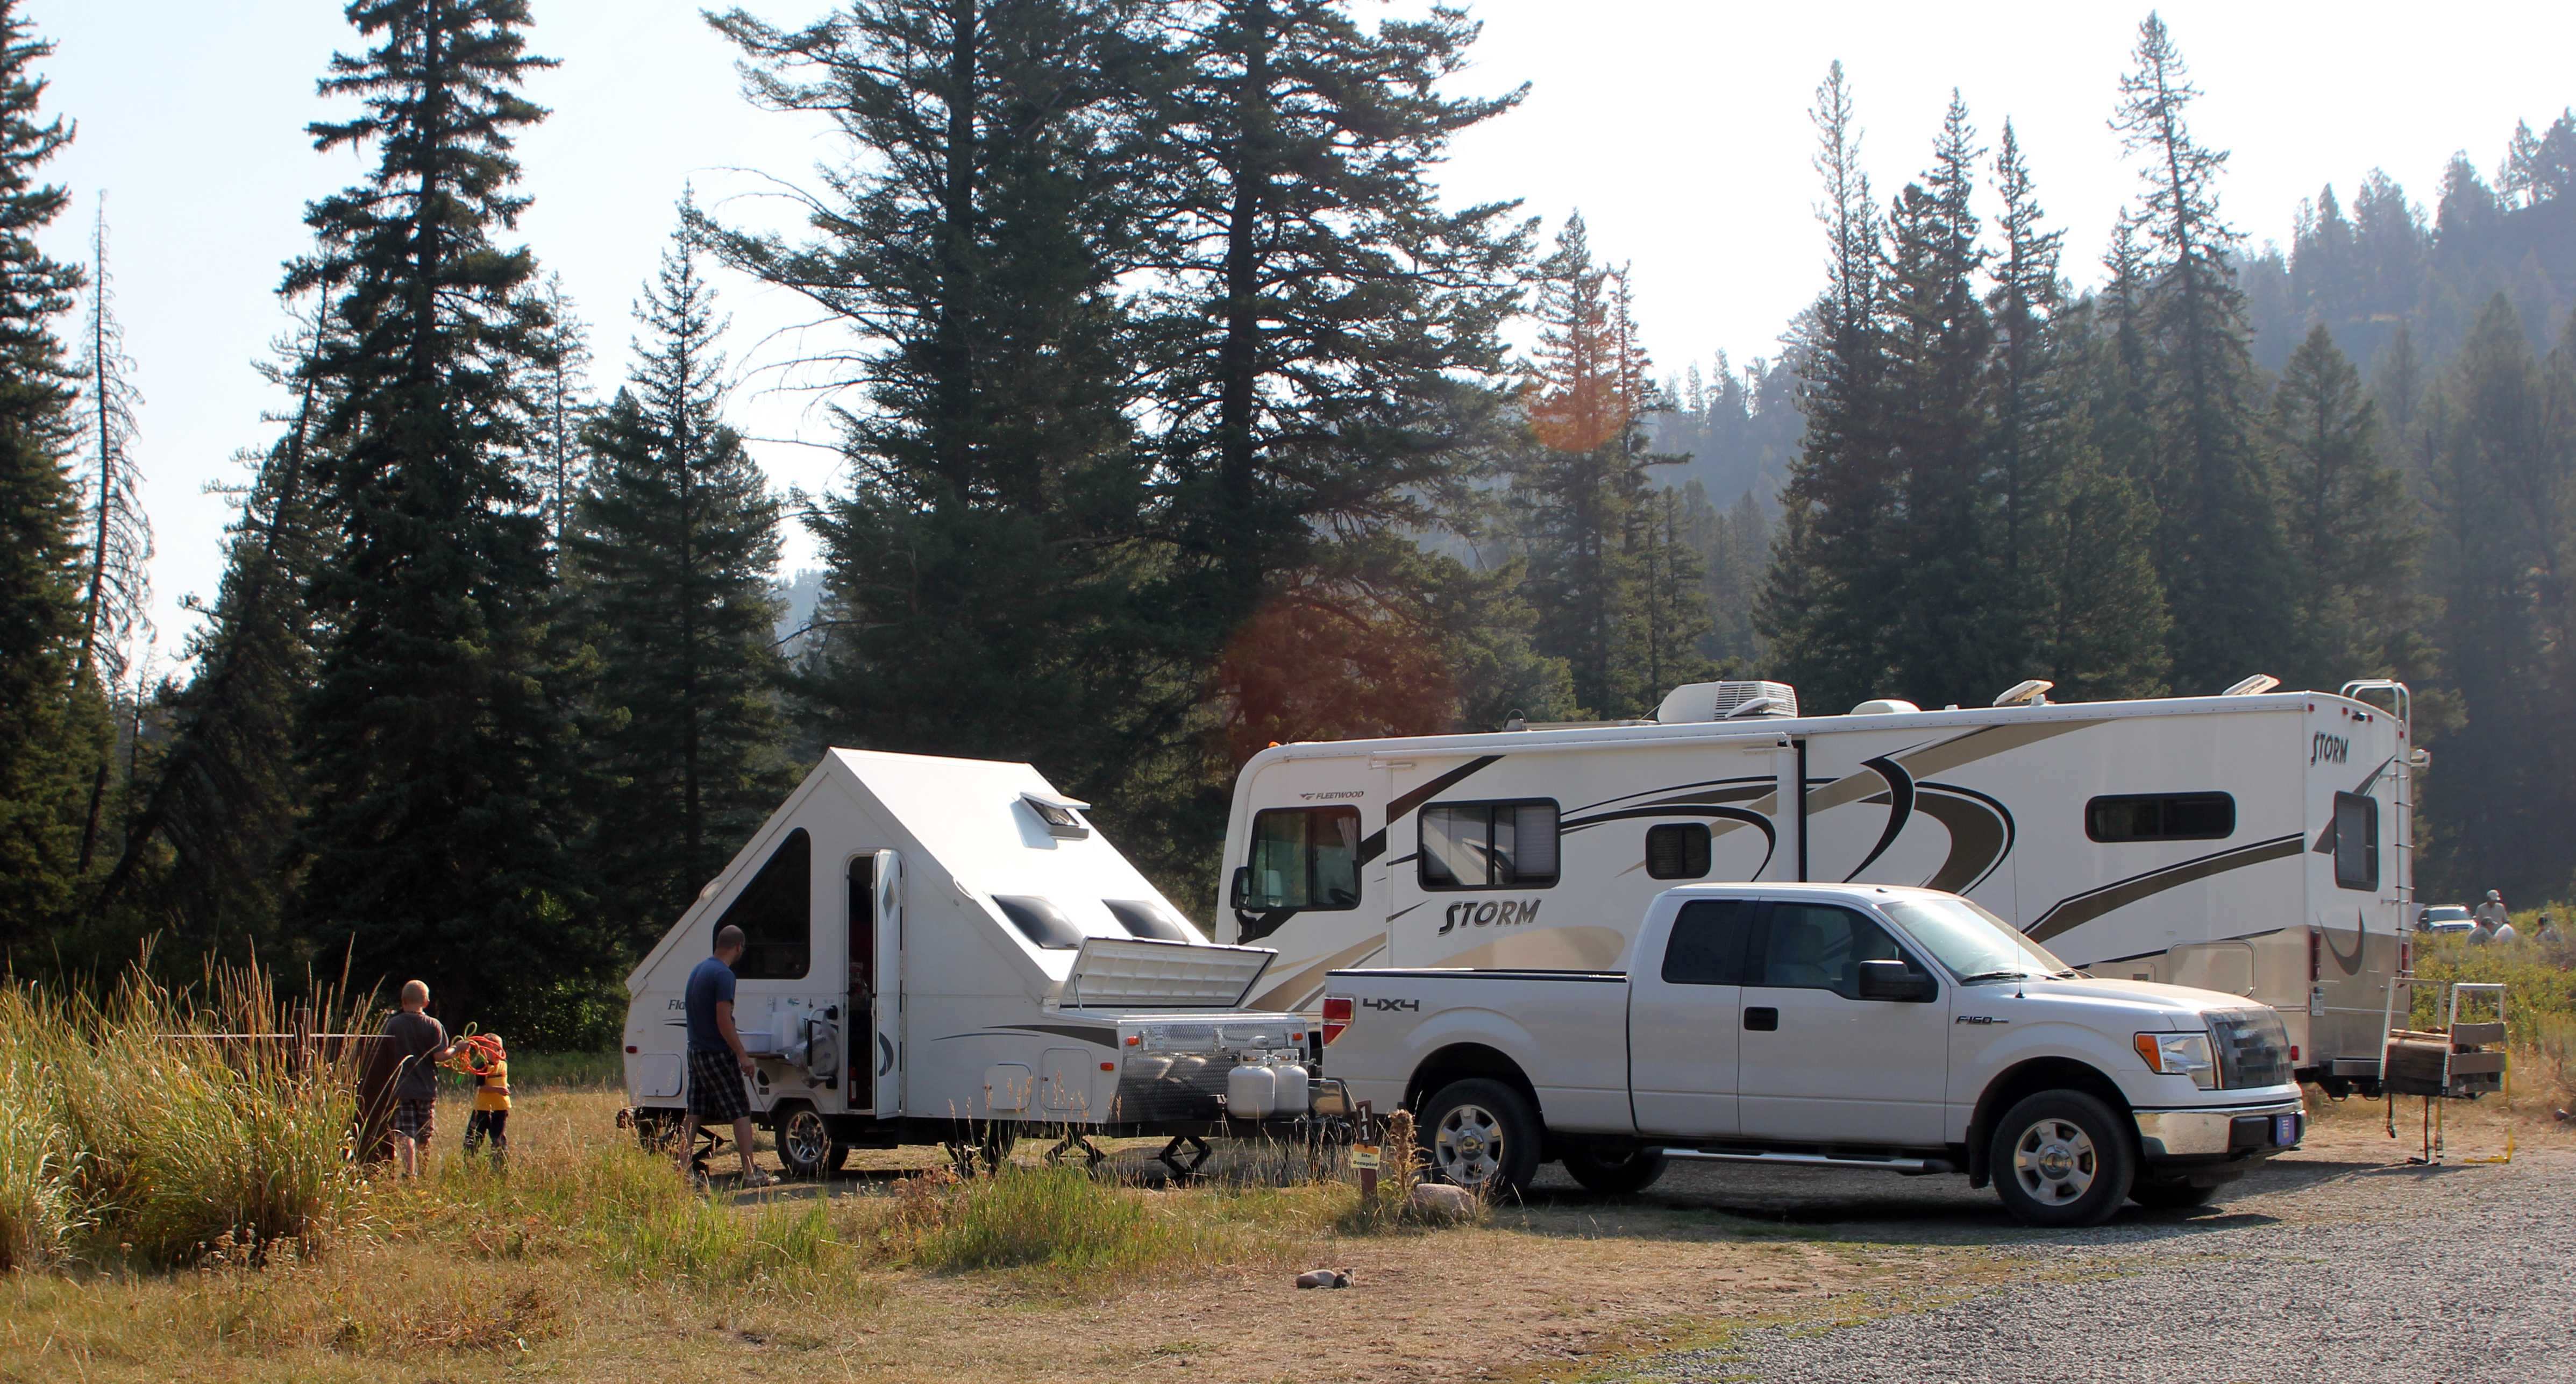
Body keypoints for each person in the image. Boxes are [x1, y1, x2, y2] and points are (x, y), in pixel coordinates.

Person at [681, 924, 777, 1188]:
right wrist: (743, 1056)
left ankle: (682, 1168)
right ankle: (750, 1172)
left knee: (695, 1111)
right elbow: (723, 1021)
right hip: (716, 1052)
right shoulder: (724, 975)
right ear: (738, 947)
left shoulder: (699, 969)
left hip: (696, 1050)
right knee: (740, 1110)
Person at [380, 980, 458, 1177]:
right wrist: (457, 1049)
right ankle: (423, 1171)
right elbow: (440, 1056)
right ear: (427, 1002)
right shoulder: (434, 1025)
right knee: (425, 1134)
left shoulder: (394, 1024)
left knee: (406, 1133)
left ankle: (410, 1174)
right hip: (426, 1089)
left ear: (403, 1000)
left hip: (402, 1089)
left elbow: (384, 1051)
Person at [457, 1034, 511, 1169]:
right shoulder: (482, 1067)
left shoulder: (504, 1065)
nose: (497, 1053)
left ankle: (500, 1165)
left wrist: (505, 1085)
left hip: (500, 1108)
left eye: (499, 1049)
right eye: (492, 1050)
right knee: (476, 1137)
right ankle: (468, 1163)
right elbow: (481, 1088)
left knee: (498, 1137)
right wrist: (498, 1089)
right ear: (484, 1051)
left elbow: (501, 1079)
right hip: (483, 1109)